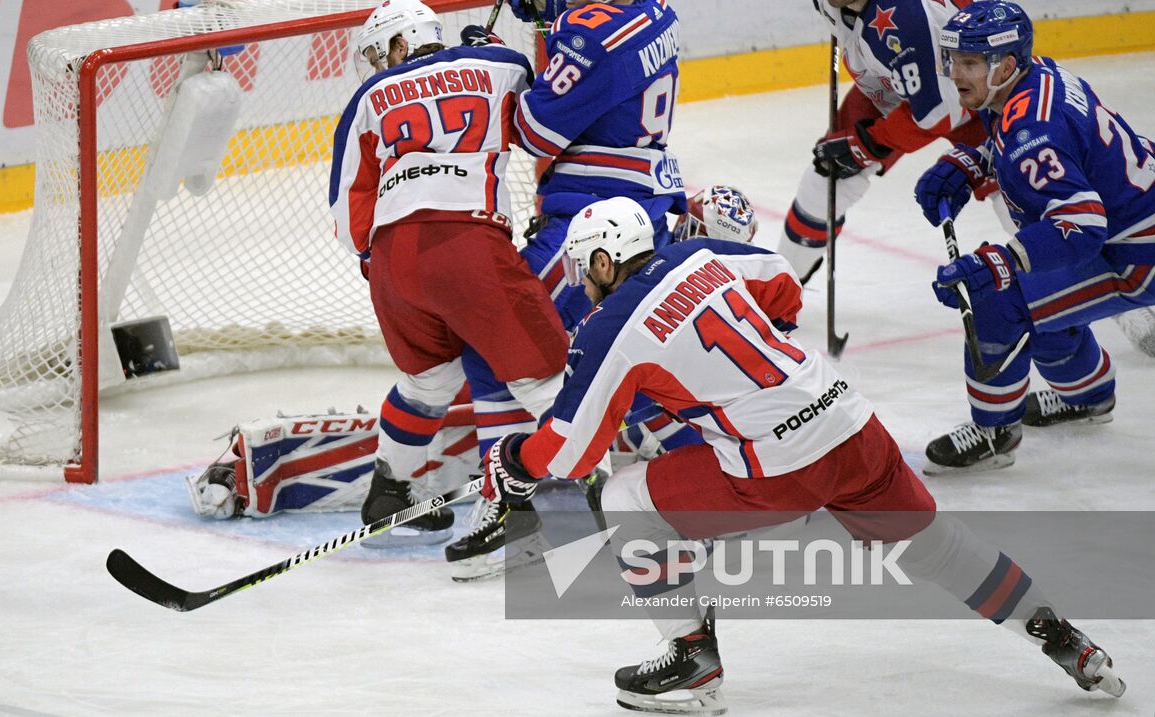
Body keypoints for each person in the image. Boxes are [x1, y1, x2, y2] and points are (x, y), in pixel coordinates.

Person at [476, 197, 1125, 712]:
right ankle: (1062, 634)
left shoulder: (610, 325)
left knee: (625, 497)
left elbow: (568, 450)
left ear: (599, 262)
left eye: (584, 274)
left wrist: (512, 461)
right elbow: (782, 282)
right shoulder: (698, 253)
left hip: (779, 465)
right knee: (938, 545)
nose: (584, 289)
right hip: (849, 418)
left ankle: (692, 657)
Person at [412, 0, 691, 578]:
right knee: (597, 352)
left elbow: (532, 131)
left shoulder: (591, 38)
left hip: (594, 222)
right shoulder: (652, 6)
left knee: (496, 339)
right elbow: (591, 45)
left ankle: (522, 504)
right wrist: (551, 7)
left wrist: (487, 60)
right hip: (640, 208)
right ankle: (686, 468)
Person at [328, 0, 566, 543]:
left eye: (379, 50)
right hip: (468, 242)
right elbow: (544, 97)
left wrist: (380, 262)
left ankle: (390, 488)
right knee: (542, 375)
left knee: (427, 380)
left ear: (402, 41)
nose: (376, 63)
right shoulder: (497, 64)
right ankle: (598, 493)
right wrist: (499, 45)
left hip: (391, 261)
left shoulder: (366, 99)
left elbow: (346, 211)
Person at [914, 0, 1155, 472]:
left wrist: (1000, 264)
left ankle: (994, 432)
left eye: (968, 63)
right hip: (1132, 225)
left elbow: (1081, 228)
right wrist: (975, 160)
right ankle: (1089, 398)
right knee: (1043, 299)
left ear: (1004, 65)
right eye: (953, 60)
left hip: (1137, 252)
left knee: (998, 301)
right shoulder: (1033, 76)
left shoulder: (1032, 130)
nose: (955, 73)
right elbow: (1030, 139)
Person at [777, 0, 988, 284]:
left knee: (1022, 197)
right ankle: (779, 291)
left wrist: (868, 144)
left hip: (975, 97)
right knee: (827, 175)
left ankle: (1113, 292)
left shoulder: (908, 19)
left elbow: (937, 114)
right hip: (894, 79)